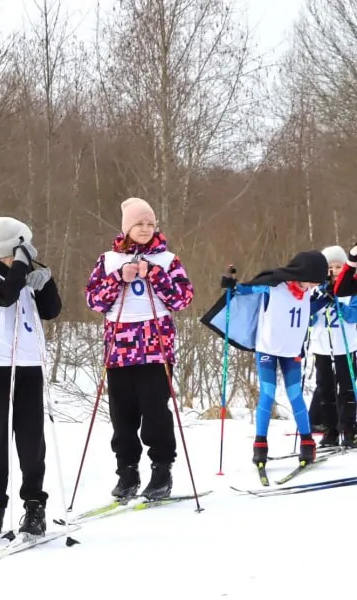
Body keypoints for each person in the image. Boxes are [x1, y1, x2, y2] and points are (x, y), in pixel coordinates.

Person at [84, 198, 194, 501]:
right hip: (119, 345)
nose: (145, 229)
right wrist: (120, 277)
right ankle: (127, 472)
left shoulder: (168, 259)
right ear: (127, 228)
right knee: (123, 414)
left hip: (155, 343)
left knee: (155, 411)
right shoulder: (108, 260)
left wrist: (154, 275)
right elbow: (94, 301)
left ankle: (161, 470)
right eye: (138, 224)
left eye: (149, 223)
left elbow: (182, 299)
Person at [0, 217, 62, 538]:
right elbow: (3, 296)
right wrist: (19, 270)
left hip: (29, 366)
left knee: (31, 439)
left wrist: (45, 282)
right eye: (23, 246)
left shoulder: (25, 273)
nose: (29, 251)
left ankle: (34, 505)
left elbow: (51, 311)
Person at [214, 252, 328, 467]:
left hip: (292, 350)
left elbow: (307, 311)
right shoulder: (274, 286)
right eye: (313, 281)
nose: (313, 286)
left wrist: (326, 299)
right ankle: (260, 446)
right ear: (304, 273)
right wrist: (230, 284)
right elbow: (244, 290)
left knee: (295, 395)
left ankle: (307, 442)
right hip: (267, 348)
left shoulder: (306, 293)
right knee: (268, 393)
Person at [308, 246, 357, 448]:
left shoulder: (351, 290)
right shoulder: (316, 290)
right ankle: (330, 430)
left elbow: (353, 315)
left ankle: (349, 429)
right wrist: (320, 301)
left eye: (338, 266)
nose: (334, 271)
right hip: (321, 347)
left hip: (345, 347)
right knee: (324, 389)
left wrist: (337, 301)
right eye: (330, 267)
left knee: (346, 388)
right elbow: (307, 318)